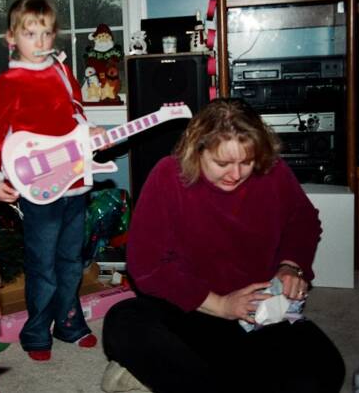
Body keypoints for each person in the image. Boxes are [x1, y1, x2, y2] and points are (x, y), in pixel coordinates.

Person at [101, 98, 345, 393]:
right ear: (197, 150)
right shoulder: (167, 175)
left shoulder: (274, 171)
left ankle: (170, 377)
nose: (236, 174)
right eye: (222, 163)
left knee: (326, 369)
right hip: (193, 307)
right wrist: (220, 304)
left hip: (256, 312)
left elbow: (302, 220)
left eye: (246, 161)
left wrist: (290, 266)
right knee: (122, 322)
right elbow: (145, 265)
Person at [0, 0, 100, 361]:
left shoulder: (62, 71)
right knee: (42, 264)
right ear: (11, 38)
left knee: (71, 260)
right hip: (38, 189)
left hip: (76, 181)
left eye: (47, 33)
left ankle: (69, 322)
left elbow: (76, 114)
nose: (41, 42)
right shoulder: (10, 82)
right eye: (31, 34)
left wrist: (90, 131)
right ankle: (36, 331)